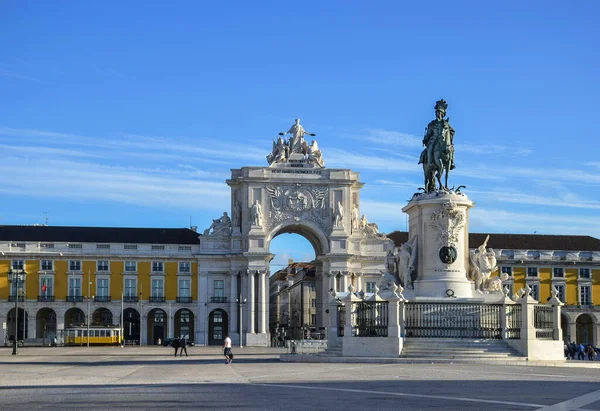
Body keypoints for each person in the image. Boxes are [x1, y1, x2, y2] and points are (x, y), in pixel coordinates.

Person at [422, 99, 455, 169]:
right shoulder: (432, 124)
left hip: (443, 141)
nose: (438, 114)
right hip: (434, 140)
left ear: (442, 114)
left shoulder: (446, 124)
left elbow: (452, 131)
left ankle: (451, 162)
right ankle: (430, 163)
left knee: (451, 149)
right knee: (430, 148)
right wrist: (425, 139)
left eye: (439, 113)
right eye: (437, 112)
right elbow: (429, 133)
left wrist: (450, 139)